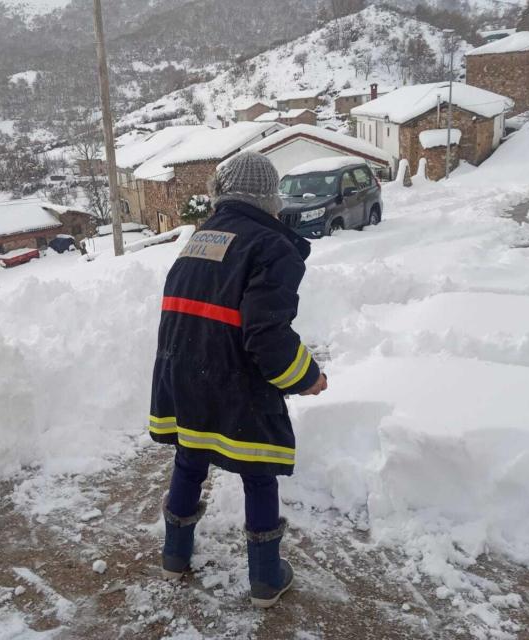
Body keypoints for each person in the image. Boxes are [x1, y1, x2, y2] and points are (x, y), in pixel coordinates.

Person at [148, 151, 327, 608]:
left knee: (190, 458)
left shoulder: (198, 239)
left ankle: (174, 556)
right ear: (270, 199)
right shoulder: (272, 246)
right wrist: (305, 376)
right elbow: (265, 333)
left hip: (185, 371)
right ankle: (266, 578)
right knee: (258, 469)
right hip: (234, 380)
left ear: (220, 194)